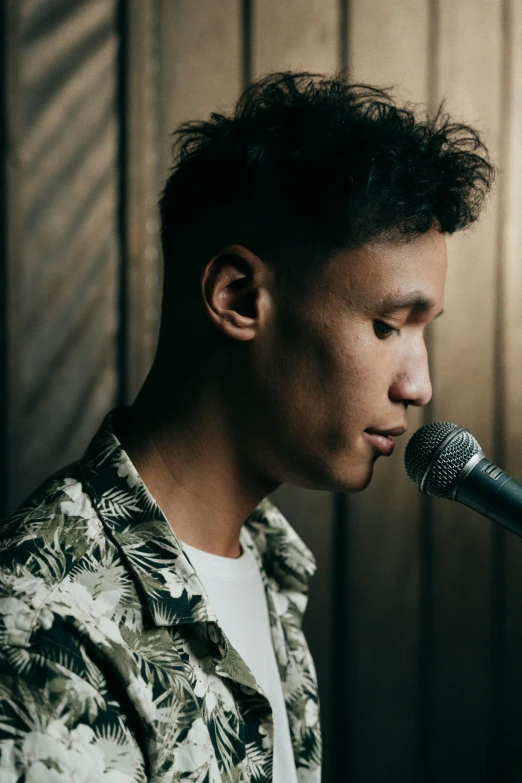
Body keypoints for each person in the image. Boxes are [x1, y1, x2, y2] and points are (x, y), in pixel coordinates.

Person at [0, 72, 494, 783]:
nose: (418, 385)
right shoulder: (46, 630)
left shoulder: (269, 563)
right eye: (387, 324)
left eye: (423, 332)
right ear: (237, 296)